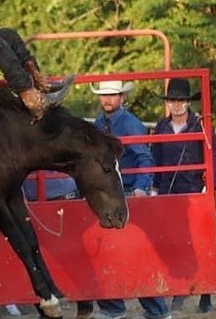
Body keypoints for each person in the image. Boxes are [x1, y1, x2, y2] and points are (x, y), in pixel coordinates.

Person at [76, 80, 171, 319]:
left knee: (132, 255)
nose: (107, 100)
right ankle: (114, 307)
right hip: (108, 195)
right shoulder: (99, 123)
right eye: (104, 95)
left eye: (112, 95)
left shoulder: (129, 124)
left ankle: (154, 309)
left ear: (121, 97)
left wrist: (140, 187)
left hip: (126, 193)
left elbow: (145, 158)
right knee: (108, 254)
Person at [151, 78, 216, 314]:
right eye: (173, 100)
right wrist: (155, 188)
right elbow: (156, 160)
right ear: (168, 103)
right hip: (170, 193)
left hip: (195, 191)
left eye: (181, 100)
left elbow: (213, 160)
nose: (177, 105)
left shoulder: (202, 126)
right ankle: (180, 289)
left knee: (202, 242)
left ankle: (205, 294)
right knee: (174, 242)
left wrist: (211, 189)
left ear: (188, 102)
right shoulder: (160, 128)